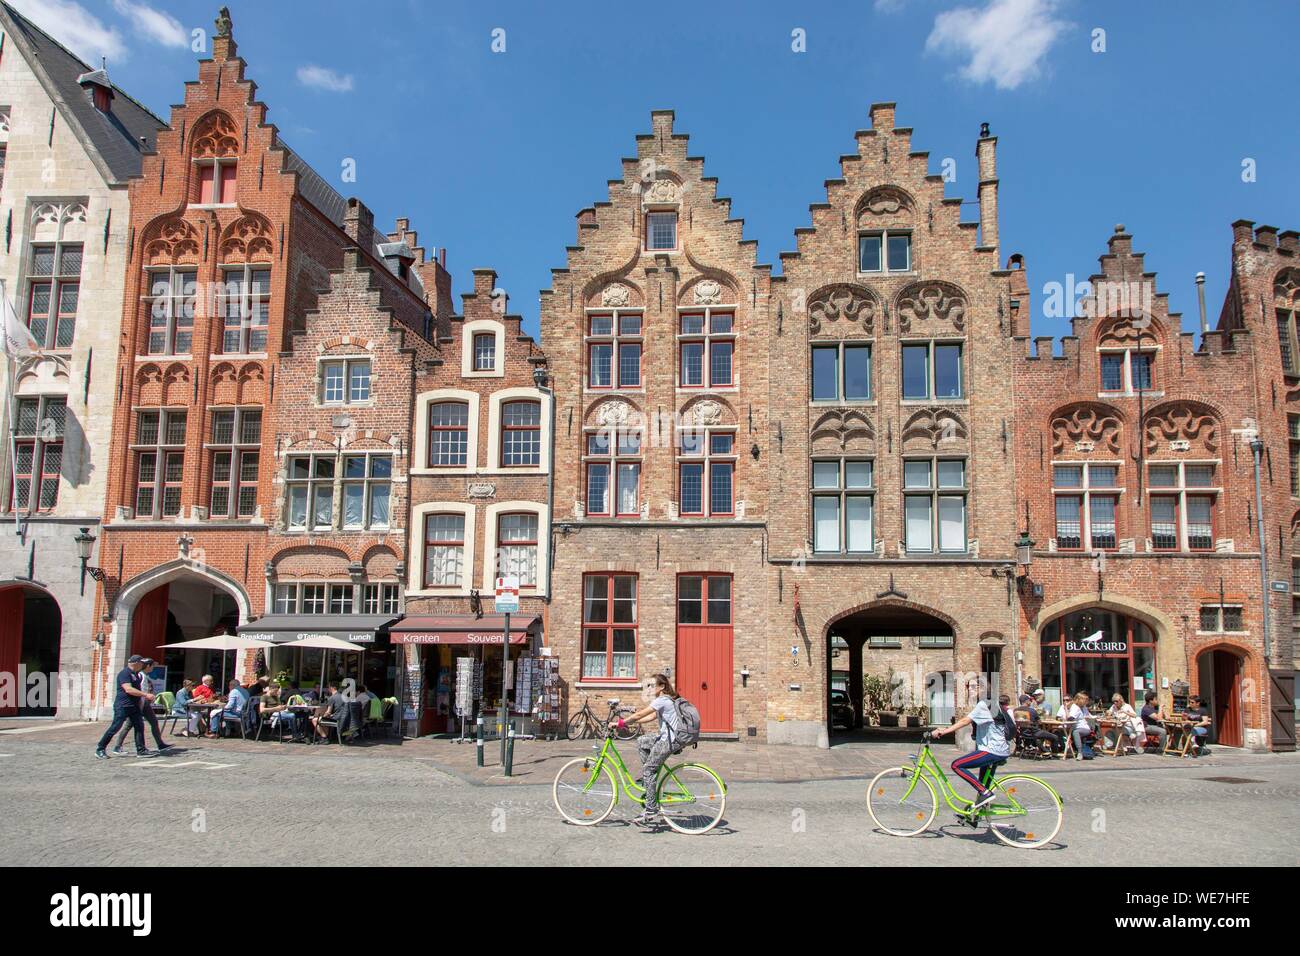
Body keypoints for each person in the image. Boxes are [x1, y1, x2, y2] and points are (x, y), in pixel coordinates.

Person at [611, 673, 681, 826]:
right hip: (667, 739)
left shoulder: (662, 700)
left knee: (649, 771)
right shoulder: (666, 700)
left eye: (653, 685)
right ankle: (649, 778)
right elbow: (649, 717)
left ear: (662, 687)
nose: (650, 688)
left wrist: (622, 722)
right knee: (642, 741)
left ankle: (651, 809)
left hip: (668, 741)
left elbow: (641, 713)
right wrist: (630, 724)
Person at [929, 693, 1015, 812]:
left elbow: (965, 721)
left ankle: (985, 793)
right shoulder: (996, 706)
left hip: (991, 750)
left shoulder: (984, 705)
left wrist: (943, 732)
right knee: (982, 785)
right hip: (1000, 750)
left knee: (957, 765)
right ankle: (974, 816)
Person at [95, 656, 158, 759]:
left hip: (134, 706)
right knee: (115, 727)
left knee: (139, 726)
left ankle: (141, 750)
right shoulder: (125, 673)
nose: (143, 665)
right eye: (141, 663)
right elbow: (128, 689)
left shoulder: (136, 674)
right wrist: (145, 695)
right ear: (135, 663)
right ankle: (100, 748)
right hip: (123, 705)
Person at [112, 658, 171, 754]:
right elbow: (139, 691)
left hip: (144, 703)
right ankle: (118, 746)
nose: (153, 668)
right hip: (139, 703)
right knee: (129, 725)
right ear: (148, 666)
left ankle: (160, 744)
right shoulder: (140, 676)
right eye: (152, 666)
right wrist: (142, 701)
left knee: (153, 722)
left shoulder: (143, 675)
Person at [1066, 692, 1095, 759]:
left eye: (1086, 700)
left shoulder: (1083, 707)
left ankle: (1080, 752)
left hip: (1084, 727)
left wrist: (1093, 718)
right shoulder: (1075, 707)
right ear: (1079, 700)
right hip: (1074, 727)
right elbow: (1070, 718)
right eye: (1084, 700)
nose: (1086, 702)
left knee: (1076, 732)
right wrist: (1065, 709)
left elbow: (1088, 715)